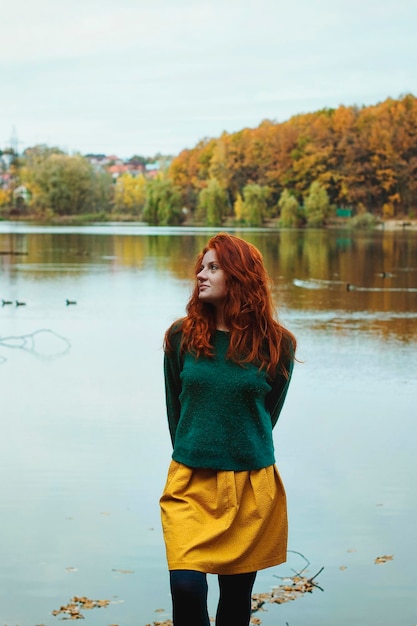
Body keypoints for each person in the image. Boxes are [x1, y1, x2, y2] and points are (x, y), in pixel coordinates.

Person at [160, 233, 296, 626]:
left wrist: (236, 445)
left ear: (239, 275)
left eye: (213, 267)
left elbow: (267, 415)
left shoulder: (277, 344)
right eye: (201, 267)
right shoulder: (181, 337)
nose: (201, 275)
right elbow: (176, 409)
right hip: (190, 482)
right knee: (186, 588)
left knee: (235, 602)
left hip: (250, 485)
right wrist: (196, 447)